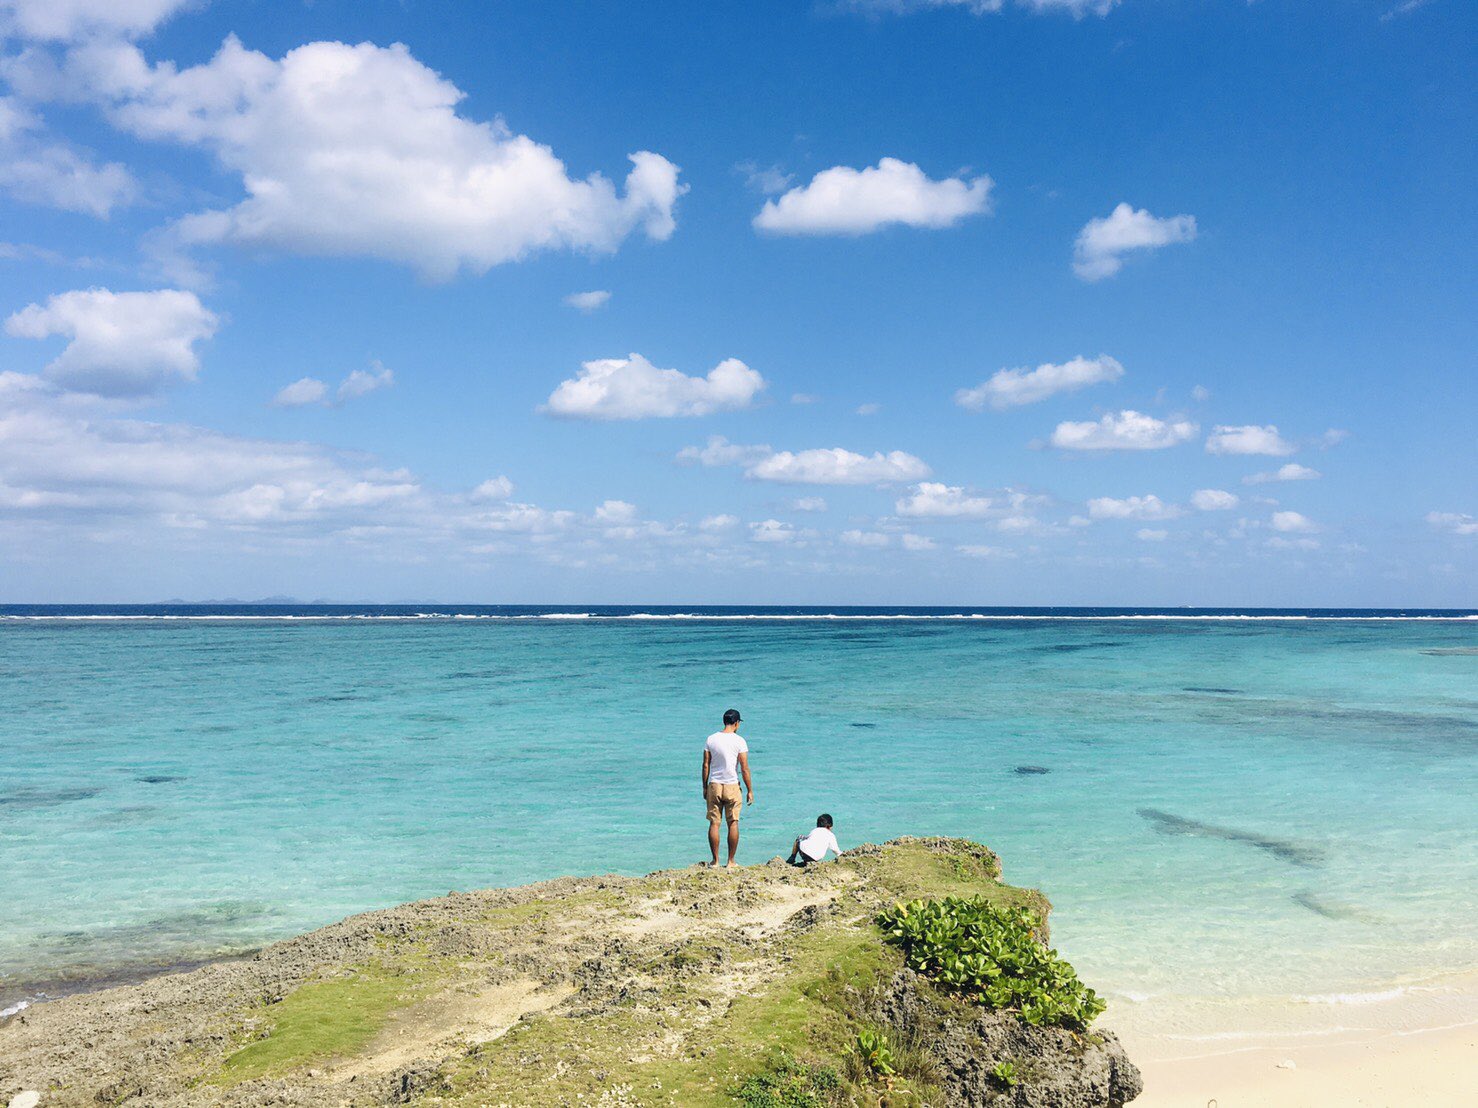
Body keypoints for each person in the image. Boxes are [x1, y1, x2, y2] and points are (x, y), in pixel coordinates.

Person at [702, 708, 753, 869]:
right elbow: (744, 768)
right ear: (736, 723)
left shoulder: (711, 739)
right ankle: (731, 861)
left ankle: (715, 861)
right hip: (732, 785)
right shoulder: (739, 741)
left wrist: (705, 786)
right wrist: (750, 789)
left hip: (715, 785)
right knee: (733, 823)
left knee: (714, 823)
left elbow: (705, 765)